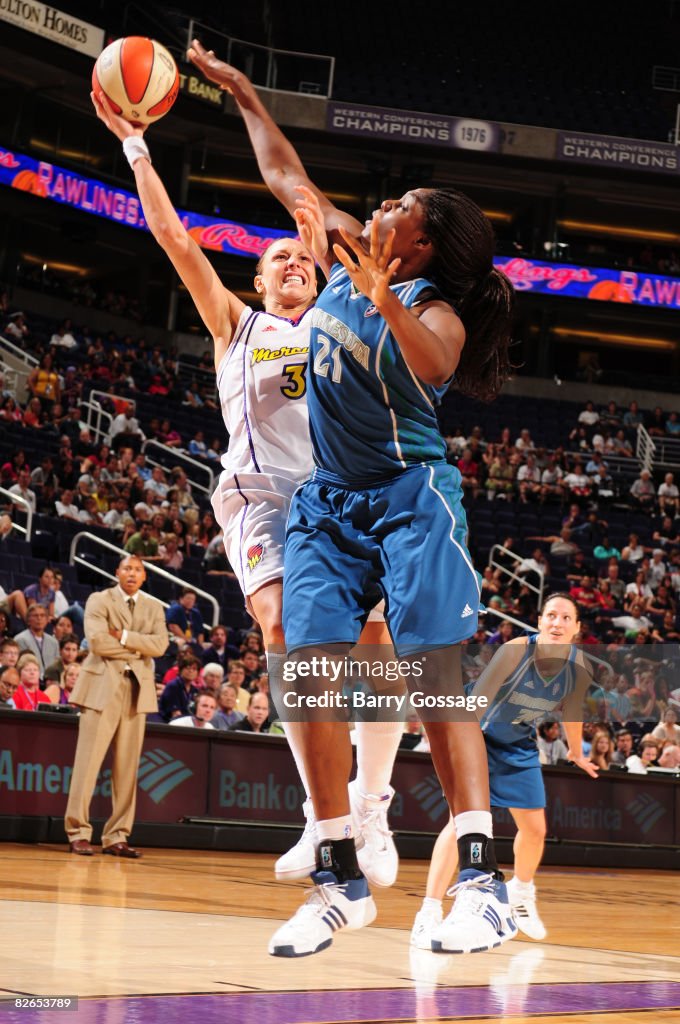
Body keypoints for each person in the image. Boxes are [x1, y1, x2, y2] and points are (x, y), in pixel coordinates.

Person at [188, 41, 516, 957]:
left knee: (432, 677)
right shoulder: (336, 252)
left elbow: (434, 363)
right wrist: (248, 95)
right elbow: (286, 173)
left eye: (401, 209)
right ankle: (338, 875)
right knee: (303, 659)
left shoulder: (431, 302)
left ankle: (484, 881)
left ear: (422, 244)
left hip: (411, 496)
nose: (383, 206)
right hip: (330, 503)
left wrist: (384, 295)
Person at [92, 85, 405, 912]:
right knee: (278, 628)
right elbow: (170, 235)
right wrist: (135, 146)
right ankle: (320, 813)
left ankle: (369, 809)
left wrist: (324, 239)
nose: (294, 264)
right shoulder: (239, 325)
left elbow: (322, 226)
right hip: (263, 499)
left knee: (378, 647)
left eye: (301, 258)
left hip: (341, 497)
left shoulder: (339, 321)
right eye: (278, 261)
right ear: (258, 281)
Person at [410, 593, 597, 949]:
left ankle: (521, 892)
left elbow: (572, 711)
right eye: (551, 616)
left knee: (536, 829)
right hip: (476, 734)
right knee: (460, 824)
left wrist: (575, 751)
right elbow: (479, 699)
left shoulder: (580, 668)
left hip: (518, 744)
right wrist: (460, 747)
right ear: (540, 622)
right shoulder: (515, 651)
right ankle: (429, 911)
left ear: (576, 629)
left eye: (565, 618)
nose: (557, 623)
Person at [64, 555, 169, 857]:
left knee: (127, 770)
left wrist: (122, 636)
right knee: (87, 766)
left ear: (144, 576)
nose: (132, 573)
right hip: (100, 688)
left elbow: (160, 645)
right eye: (126, 568)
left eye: (137, 569)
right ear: (117, 573)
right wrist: (139, 648)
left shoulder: (153, 607)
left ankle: (117, 836)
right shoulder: (100, 599)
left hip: (136, 692)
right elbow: (97, 642)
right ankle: (77, 832)